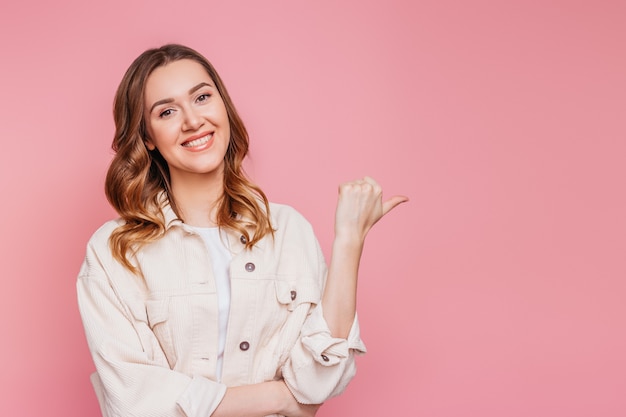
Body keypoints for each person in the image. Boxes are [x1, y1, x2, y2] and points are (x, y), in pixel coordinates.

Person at [77, 43, 407, 417]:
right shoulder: (113, 252)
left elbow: (318, 382)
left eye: (202, 97)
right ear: (148, 137)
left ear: (224, 108)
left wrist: (350, 240)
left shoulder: (288, 231)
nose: (192, 121)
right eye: (167, 111)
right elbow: (136, 402)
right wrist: (281, 398)